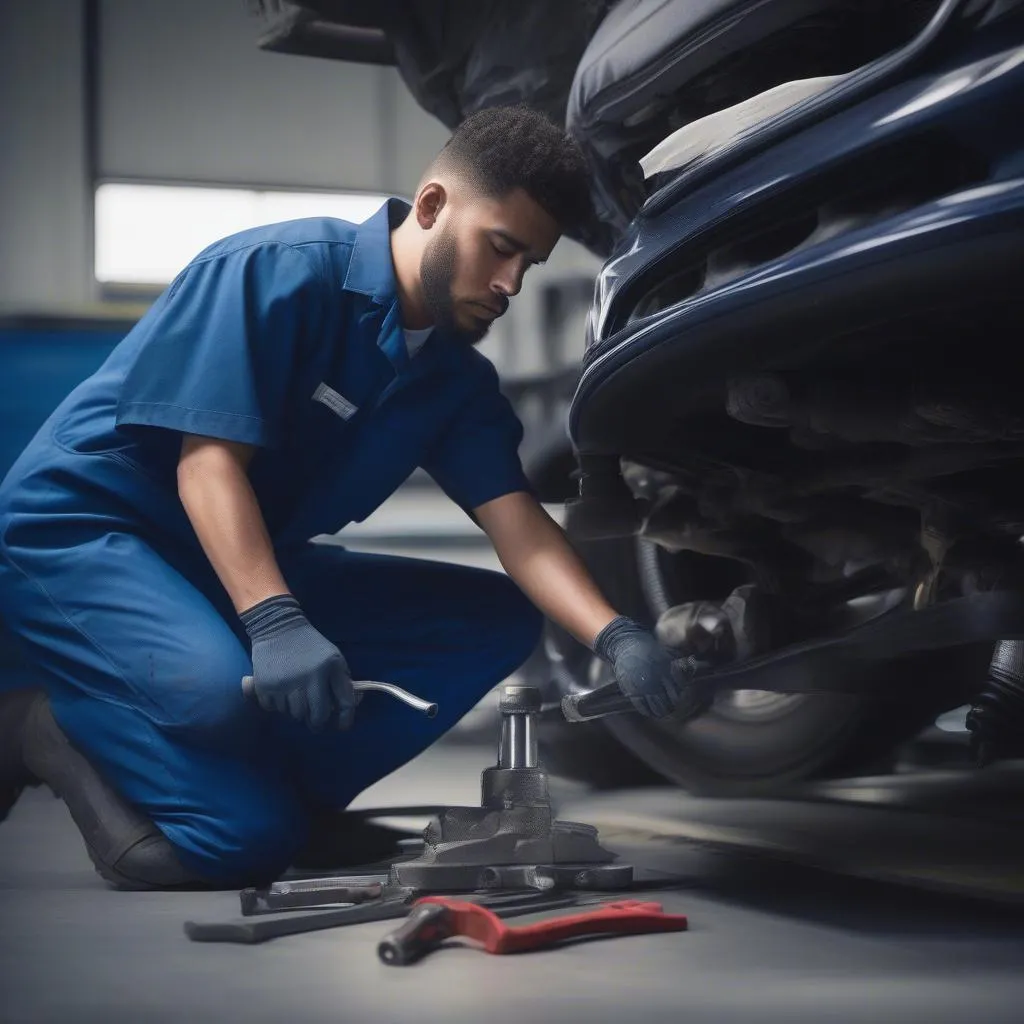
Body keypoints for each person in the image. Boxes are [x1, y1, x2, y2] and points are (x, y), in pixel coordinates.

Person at [0, 106, 701, 891]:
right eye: (500, 248)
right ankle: (41, 727)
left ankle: (293, 800)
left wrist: (616, 634)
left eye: (529, 265)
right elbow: (207, 467)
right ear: (433, 207)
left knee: (492, 620)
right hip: (87, 530)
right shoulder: (276, 272)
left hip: (222, 561)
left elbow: (520, 527)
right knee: (214, 705)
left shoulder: (452, 383)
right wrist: (274, 618)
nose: (508, 284)